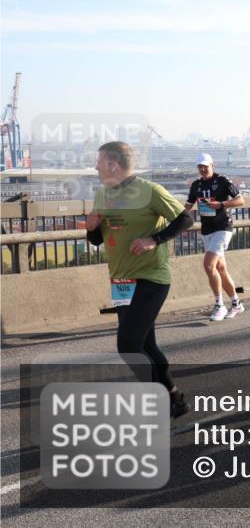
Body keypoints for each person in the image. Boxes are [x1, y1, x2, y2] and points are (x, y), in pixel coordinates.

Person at [85, 142, 193, 418]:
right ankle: (175, 399)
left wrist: (153, 240)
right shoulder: (102, 194)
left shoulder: (149, 190)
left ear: (113, 164)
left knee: (128, 345)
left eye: (99, 161)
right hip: (121, 281)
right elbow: (97, 240)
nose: (96, 166)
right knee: (146, 345)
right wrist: (92, 229)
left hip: (151, 277)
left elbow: (185, 219)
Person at [184, 153, 245, 322]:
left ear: (212, 165)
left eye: (206, 166)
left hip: (223, 227)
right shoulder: (196, 185)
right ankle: (236, 303)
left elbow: (240, 201)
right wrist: (174, 219)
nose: (203, 169)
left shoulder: (223, 181)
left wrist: (221, 204)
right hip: (207, 229)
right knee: (220, 269)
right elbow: (188, 206)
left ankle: (219, 306)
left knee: (208, 265)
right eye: (200, 167)